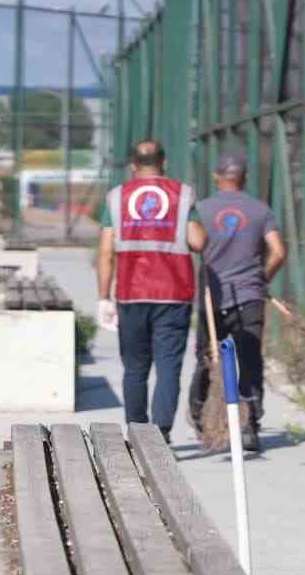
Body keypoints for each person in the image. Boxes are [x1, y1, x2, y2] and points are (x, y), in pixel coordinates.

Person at [186, 153, 287, 452]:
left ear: (217, 177)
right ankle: (250, 427)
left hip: (211, 296)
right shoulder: (260, 210)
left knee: (207, 357)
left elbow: (193, 245)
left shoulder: (201, 209)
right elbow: (278, 252)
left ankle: (202, 420)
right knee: (250, 359)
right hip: (250, 295)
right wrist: (261, 279)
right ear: (243, 178)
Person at [96, 140, 196, 442]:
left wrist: (103, 297)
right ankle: (162, 431)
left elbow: (105, 251)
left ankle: (137, 431)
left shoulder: (117, 198)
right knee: (168, 366)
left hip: (131, 292)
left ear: (132, 165)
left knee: (135, 368)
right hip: (174, 293)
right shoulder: (184, 194)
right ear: (163, 162)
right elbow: (199, 241)